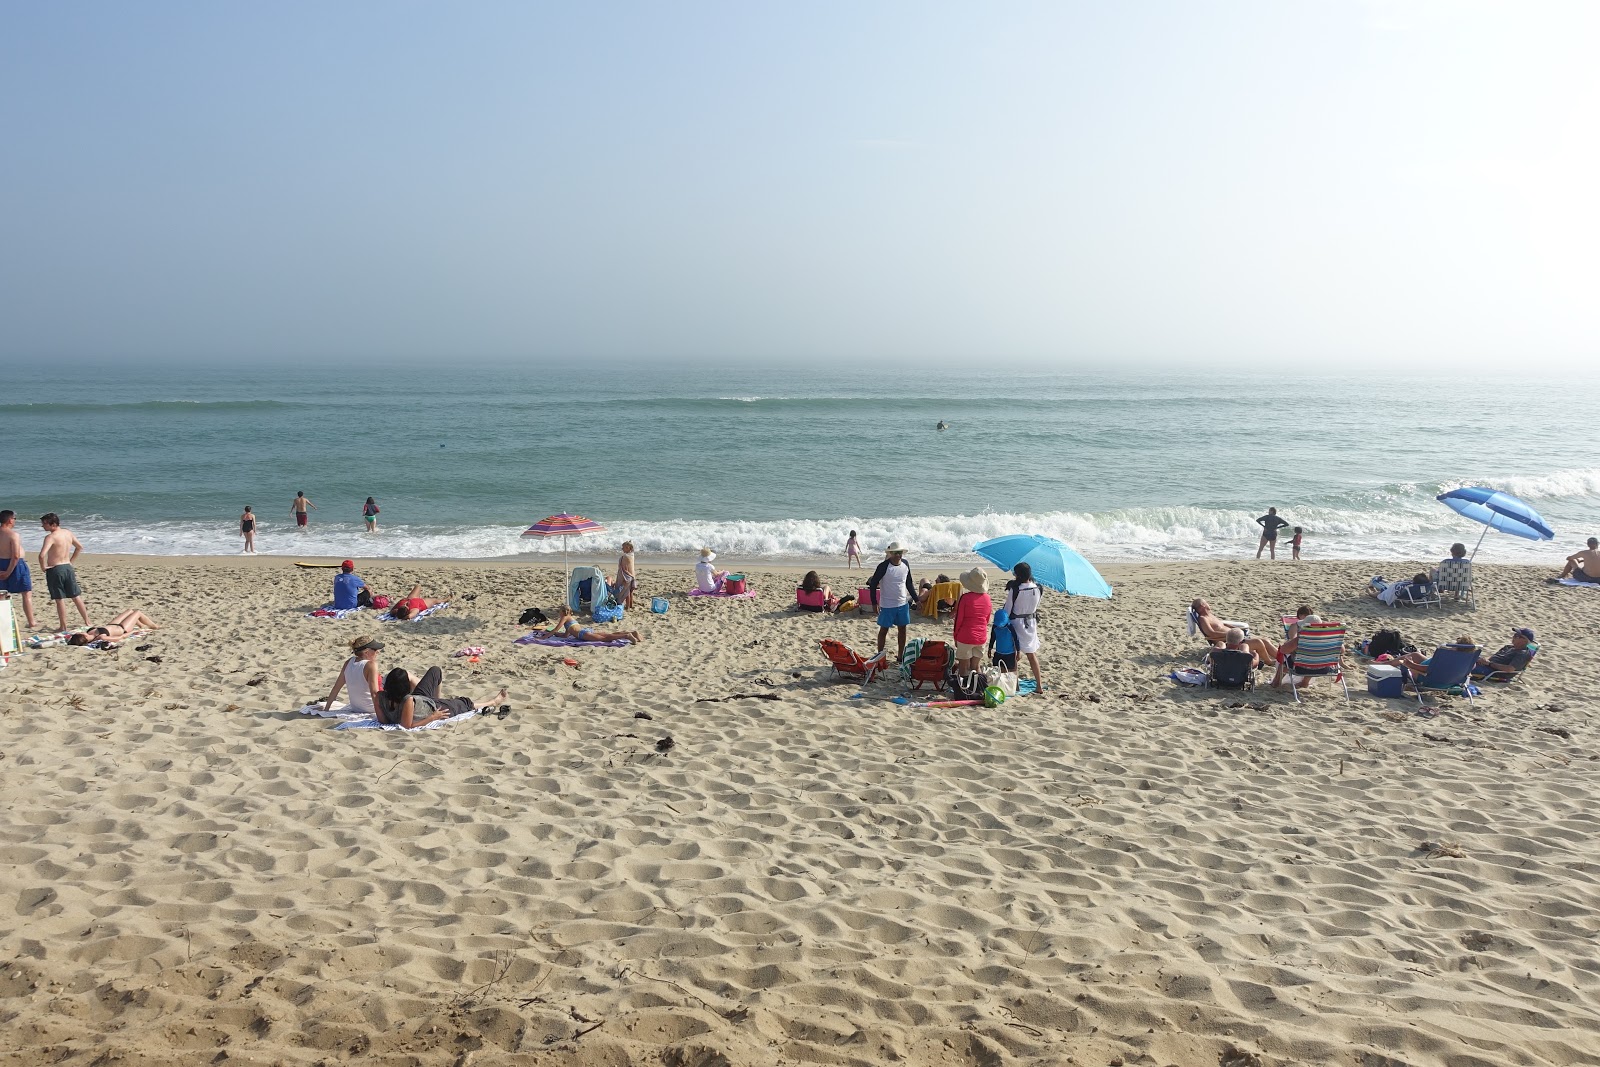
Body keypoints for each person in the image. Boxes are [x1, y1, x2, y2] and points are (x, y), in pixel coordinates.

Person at [376, 665, 506, 729]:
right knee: (464, 702)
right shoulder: (408, 700)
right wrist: (433, 717)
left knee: (435, 671)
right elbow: (407, 726)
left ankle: (437, 698)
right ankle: (492, 702)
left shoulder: (379, 696)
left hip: (421, 699)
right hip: (431, 708)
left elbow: (383, 721)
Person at [38, 513, 89, 631]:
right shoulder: (68, 533)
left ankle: (63, 626)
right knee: (76, 596)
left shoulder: (51, 537)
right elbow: (79, 547)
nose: (42, 526)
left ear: (53, 524)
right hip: (67, 567)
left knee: (59, 598)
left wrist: (43, 567)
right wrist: (71, 561)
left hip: (55, 569)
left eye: (45, 523)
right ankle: (87, 621)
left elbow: (41, 555)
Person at [866, 542, 916, 660]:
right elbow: (873, 585)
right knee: (883, 630)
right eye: (895, 553)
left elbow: (909, 583)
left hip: (903, 604)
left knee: (902, 630)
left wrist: (917, 599)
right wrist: (874, 603)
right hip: (887, 605)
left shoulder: (905, 564)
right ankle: (880, 656)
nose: (898, 555)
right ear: (890, 554)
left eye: (900, 552)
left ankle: (900, 656)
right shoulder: (883, 566)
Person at [1002, 562, 1046, 692]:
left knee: (1015, 654)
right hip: (1031, 622)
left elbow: (1008, 610)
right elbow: (1036, 604)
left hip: (1016, 623)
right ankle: (1039, 685)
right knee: (1032, 655)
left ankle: (1015, 686)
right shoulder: (1038, 588)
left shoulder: (1015, 589)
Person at [323, 635, 383, 715]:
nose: (378, 652)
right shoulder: (371, 665)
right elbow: (374, 693)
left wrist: (326, 709)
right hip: (371, 708)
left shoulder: (348, 662)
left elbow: (336, 688)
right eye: (375, 650)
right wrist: (380, 714)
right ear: (366, 652)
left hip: (356, 708)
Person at [952, 568, 992, 679]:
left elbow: (958, 620)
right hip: (981, 636)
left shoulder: (965, 598)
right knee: (976, 667)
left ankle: (963, 691)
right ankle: (977, 689)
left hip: (966, 636)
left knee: (963, 668)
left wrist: (955, 636)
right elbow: (986, 619)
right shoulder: (988, 599)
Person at [0, 510, 36, 630]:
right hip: (15, 565)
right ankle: (31, 622)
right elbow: (15, 556)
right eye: (14, 519)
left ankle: (3, 621)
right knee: (26, 593)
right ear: (10, 520)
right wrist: (8, 572)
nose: (14, 521)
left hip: (1, 562)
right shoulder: (13, 534)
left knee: (2, 594)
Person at [1269, 614, 1325, 689]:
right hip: (1323, 668)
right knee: (1314, 660)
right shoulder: (1329, 639)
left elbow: (1283, 650)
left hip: (1302, 668)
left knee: (1285, 660)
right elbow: (1342, 650)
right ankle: (1305, 682)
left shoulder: (1301, 638)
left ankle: (1276, 682)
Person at [545, 605, 644, 644]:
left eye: (559, 612)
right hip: (585, 631)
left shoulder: (564, 618)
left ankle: (627, 636)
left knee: (605, 638)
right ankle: (632, 633)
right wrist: (557, 635)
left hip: (582, 634)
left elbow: (555, 629)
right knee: (606, 634)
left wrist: (545, 636)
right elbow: (566, 634)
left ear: (563, 612)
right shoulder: (570, 619)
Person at [65, 608, 159, 646]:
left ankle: (141, 625)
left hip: (112, 624)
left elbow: (71, 638)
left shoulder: (89, 633)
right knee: (137, 612)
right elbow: (120, 637)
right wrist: (133, 632)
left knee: (130, 610)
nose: (79, 632)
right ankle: (154, 626)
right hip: (123, 629)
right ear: (84, 637)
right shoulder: (101, 637)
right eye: (79, 633)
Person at [988, 607, 1018, 672]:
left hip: (1010, 653)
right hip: (998, 652)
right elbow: (992, 638)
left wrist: (1018, 652)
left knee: (1010, 671)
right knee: (998, 670)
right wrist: (990, 649)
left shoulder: (1010, 627)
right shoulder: (995, 627)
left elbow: (1016, 639)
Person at [613, 541, 637, 609]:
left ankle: (627, 606)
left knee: (626, 592)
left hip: (626, 576)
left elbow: (624, 569)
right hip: (632, 574)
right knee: (630, 591)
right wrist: (632, 576)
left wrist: (627, 577)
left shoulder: (625, 556)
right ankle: (631, 605)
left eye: (623, 547)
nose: (622, 549)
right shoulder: (632, 555)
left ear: (628, 548)